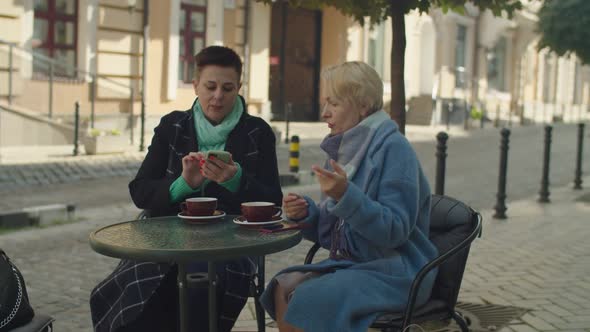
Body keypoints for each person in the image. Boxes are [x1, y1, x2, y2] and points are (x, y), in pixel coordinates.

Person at [90, 46, 282, 332]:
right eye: (210, 86)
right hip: (166, 237)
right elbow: (140, 191)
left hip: (233, 243)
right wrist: (182, 185)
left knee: (200, 278)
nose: (218, 96)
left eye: (228, 88)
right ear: (195, 85)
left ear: (239, 87)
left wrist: (236, 180)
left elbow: (272, 202)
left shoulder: (257, 132)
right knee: (140, 284)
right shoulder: (172, 126)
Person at [259, 61, 438, 332]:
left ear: (363, 105)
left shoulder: (394, 148)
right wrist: (306, 213)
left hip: (396, 271)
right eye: (324, 104)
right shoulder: (346, 147)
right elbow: (334, 235)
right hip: (354, 264)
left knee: (308, 299)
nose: (324, 113)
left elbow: (396, 231)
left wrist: (346, 196)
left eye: (333, 104)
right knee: (281, 286)